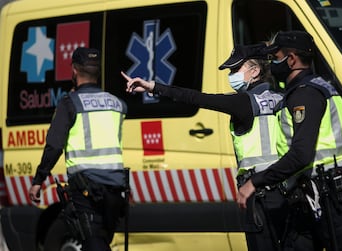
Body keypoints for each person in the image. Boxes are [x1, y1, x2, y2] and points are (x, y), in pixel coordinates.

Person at [121, 43, 288, 250]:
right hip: (285, 191)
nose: (231, 75)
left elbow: (197, 98)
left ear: (255, 71)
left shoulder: (244, 102)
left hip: (258, 193)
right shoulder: (283, 98)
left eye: (236, 70)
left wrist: (153, 87)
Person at [237, 31, 342, 251]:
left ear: (292, 58)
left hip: (325, 196)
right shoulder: (319, 88)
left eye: (276, 56)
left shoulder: (305, 95)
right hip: (323, 194)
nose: (272, 62)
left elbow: (301, 154)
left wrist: (255, 182)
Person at [29, 47, 128, 251]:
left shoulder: (70, 103)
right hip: (116, 188)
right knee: (100, 241)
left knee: (93, 242)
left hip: (86, 189)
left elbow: (54, 145)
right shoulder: (117, 103)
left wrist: (39, 180)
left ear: (74, 70)